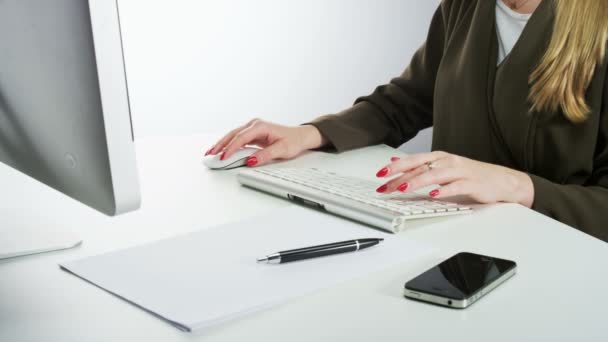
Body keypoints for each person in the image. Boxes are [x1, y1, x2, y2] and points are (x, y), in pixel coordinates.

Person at [205, 0, 608, 242]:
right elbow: (406, 101)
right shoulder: (465, 6)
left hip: (556, 260)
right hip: (451, 242)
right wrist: (312, 133)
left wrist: (516, 186)